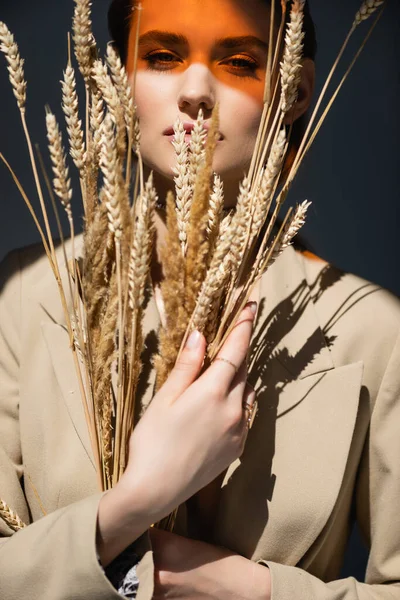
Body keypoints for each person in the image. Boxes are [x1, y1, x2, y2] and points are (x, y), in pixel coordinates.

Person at [1, 1, 400, 599]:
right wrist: (134, 504)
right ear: (116, 76)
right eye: (162, 57)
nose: (195, 90)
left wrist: (243, 587)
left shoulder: (369, 328)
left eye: (238, 61)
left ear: (293, 90)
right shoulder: (27, 295)